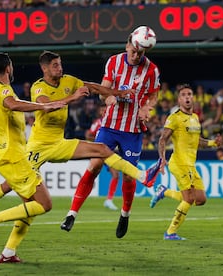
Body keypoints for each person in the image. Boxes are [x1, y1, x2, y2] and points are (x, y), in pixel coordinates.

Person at [0, 51, 161, 261]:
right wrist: (69, 98)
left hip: (58, 143)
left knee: (101, 149)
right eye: (55, 65)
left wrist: (118, 93)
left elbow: (91, 85)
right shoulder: (35, 87)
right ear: (44, 69)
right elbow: (45, 105)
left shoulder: (66, 81)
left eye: (60, 64)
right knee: (23, 196)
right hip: (36, 147)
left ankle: (142, 176)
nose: (59, 68)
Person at [0, 52, 66, 263]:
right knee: (45, 203)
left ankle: (8, 252)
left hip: (10, 154)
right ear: (8, 68)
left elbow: (10, 109)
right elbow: (13, 104)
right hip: (13, 156)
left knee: (28, 207)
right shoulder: (4, 90)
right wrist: (45, 106)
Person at [60, 26, 161, 239]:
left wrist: (146, 108)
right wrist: (108, 98)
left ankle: (125, 214)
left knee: (128, 176)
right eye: (133, 51)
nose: (136, 56)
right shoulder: (114, 62)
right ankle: (72, 213)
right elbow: (102, 91)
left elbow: (153, 95)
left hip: (133, 130)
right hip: (109, 126)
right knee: (95, 165)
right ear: (127, 45)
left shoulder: (151, 70)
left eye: (140, 53)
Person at [149, 84, 221, 240]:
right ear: (179, 99)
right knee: (189, 199)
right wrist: (162, 159)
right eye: (183, 95)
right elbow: (162, 139)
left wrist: (212, 143)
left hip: (191, 164)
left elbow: (197, 140)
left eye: (189, 94)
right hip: (179, 162)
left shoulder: (195, 118)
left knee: (201, 200)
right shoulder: (174, 118)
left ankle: (165, 192)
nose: (187, 97)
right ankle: (170, 232)